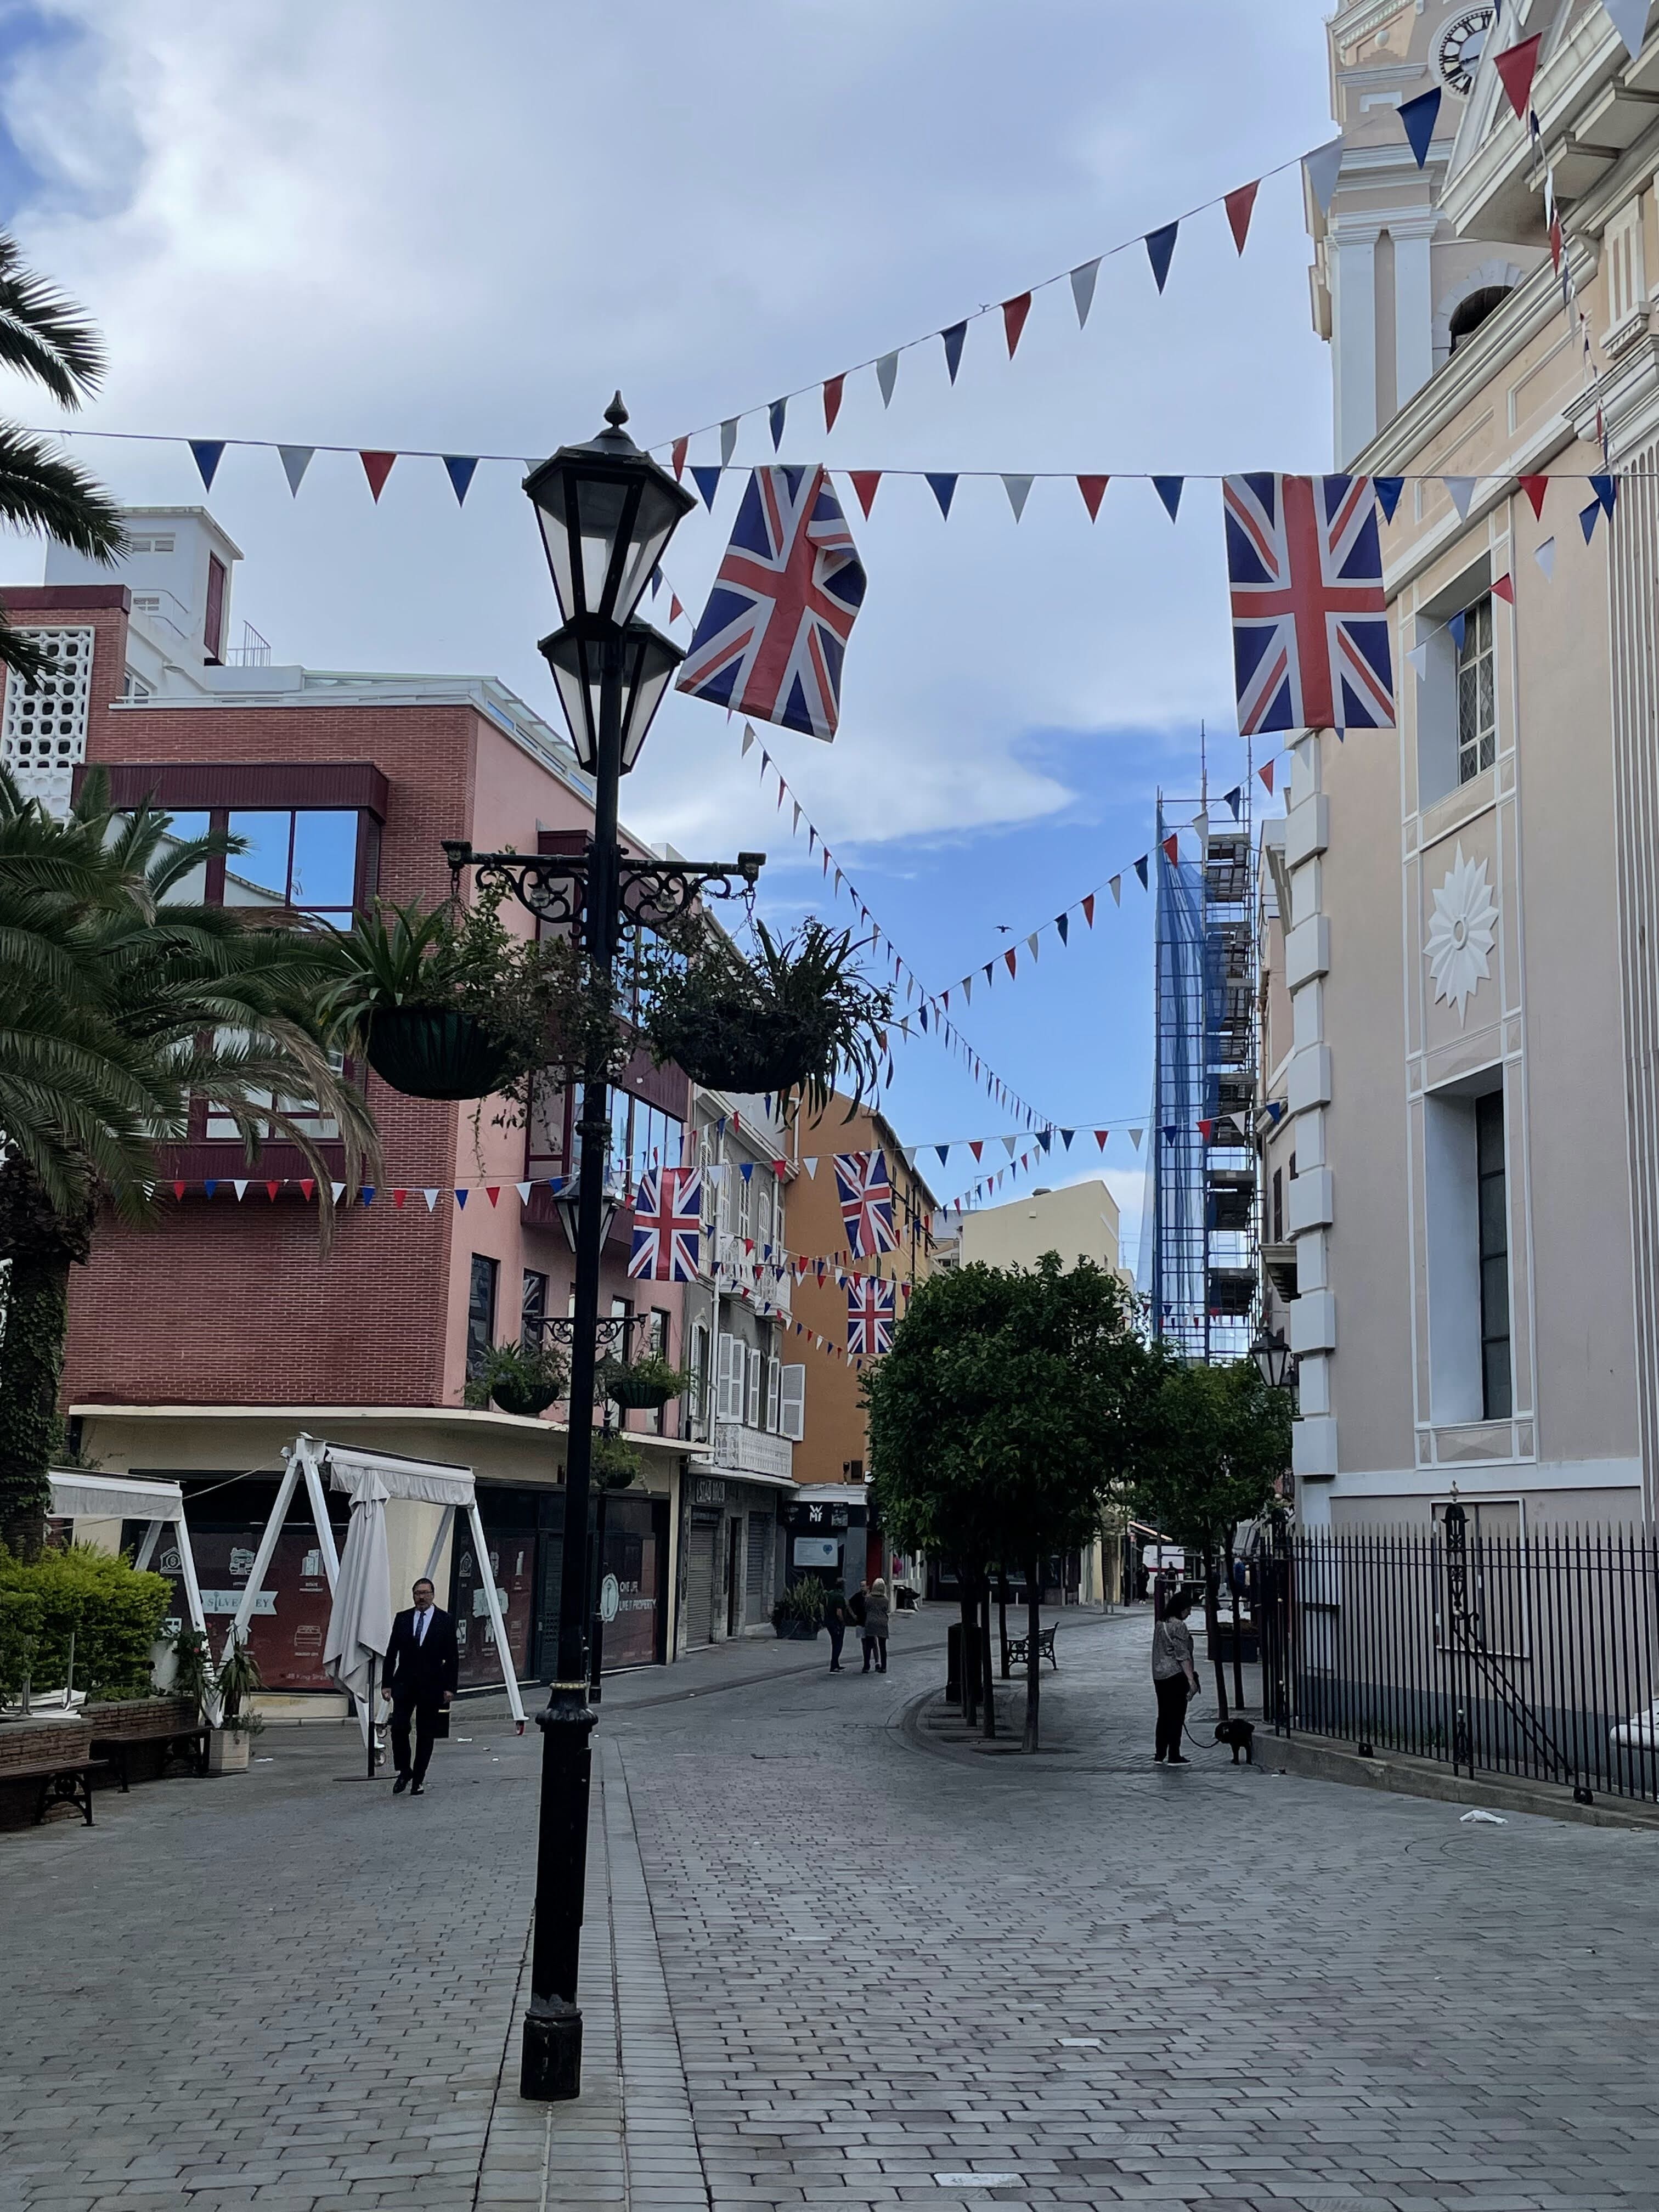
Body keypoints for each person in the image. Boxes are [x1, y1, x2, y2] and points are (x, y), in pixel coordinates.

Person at [381, 1576, 458, 1795]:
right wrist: (387, 1684)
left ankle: (419, 1779)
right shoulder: (403, 1618)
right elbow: (391, 1652)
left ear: (433, 1595)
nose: (421, 1597)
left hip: (432, 1684)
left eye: (425, 1593)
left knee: (425, 1733)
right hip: (404, 1682)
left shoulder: (445, 1620)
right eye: (417, 1593)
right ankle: (405, 1770)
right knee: (399, 1727)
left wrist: (450, 1687)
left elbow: (452, 1657)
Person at [1151, 1592, 1200, 1763]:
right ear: (1181, 1609)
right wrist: (1191, 1680)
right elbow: (1182, 1655)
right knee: (1177, 1716)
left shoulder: (1160, 1624)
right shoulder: (1179, 1626)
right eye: (1188, 1609)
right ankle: (1174, 1754)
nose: (1190, 1613)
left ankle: (1160, 1753)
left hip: (1159, 1676)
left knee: (1163, 1714)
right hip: (1175, 1675)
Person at [860, 1576, 890, 1673]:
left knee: (869, 1646)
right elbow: (886, 1609)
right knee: (883, 1647)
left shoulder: (869, 1598)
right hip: (882, 1623)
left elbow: (866, 1608)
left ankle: (866, 1666)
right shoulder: (885, 1600)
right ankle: (884, 1667)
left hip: (871, 1622)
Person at [825, 1587, 849, 1673]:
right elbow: (839, 1612)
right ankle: (834, 1665)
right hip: (836, 1624)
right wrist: (842, 1622)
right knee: (838, 1644)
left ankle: (836, 1664)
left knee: (835, 1643)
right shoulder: (839, 1598)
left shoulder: (831, 1595)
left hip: (830, 1622)